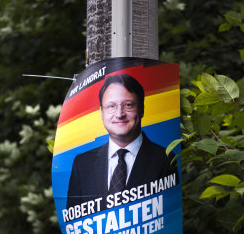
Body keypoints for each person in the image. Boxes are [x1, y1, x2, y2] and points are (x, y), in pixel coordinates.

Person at [66, 74, 177, 210]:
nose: (119, 114)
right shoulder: (82, 163)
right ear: (102, 112)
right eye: (111, 106)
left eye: (128, 105)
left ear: (142, 109)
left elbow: (170, 219)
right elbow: (73, 223)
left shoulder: (166, 159)